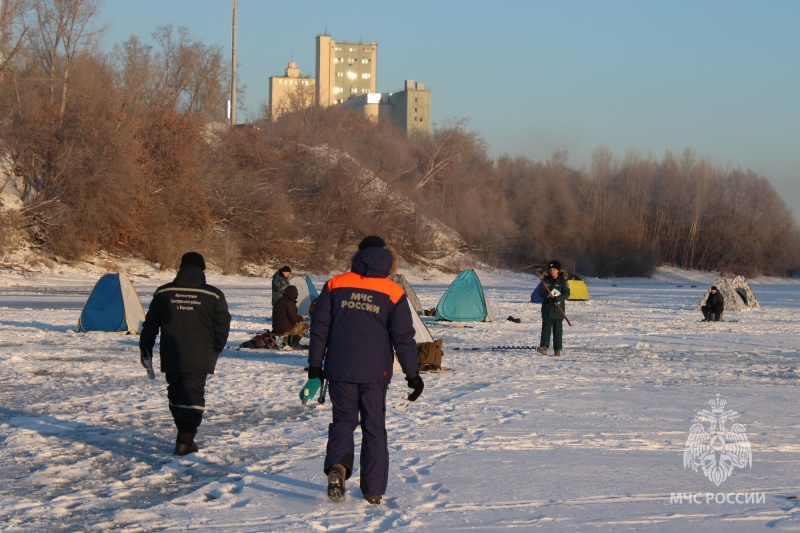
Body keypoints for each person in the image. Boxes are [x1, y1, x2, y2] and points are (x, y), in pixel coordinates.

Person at [308, 235, 424, 505]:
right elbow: (403, 338)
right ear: (386, 256)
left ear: (358, 255)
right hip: (375, 373)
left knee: (343, 422)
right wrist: (413, 375)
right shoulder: (393, 291)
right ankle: (372, 490)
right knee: (374, 427)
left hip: (339, 368)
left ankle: (338, 465)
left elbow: (319, 329)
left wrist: (315, 367)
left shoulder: (335, 284)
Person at [139, 252, 231, 455]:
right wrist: (215, 348)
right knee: (192, 394)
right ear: (203, 270)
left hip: (171, 352)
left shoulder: (164, 292)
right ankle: (185, 440)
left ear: (180, 268)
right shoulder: (214, 295)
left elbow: (150, 325)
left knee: (176, 393)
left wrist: (145, 350)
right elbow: (222, 325)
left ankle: (184, 437)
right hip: (200, 354)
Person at [536, 259, 570, 357]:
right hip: (547, 309)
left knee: (557, 330)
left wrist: (558, 298)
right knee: (546, 329)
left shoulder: (562, 281)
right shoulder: (545, 280)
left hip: (558, 310)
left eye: (554, 270)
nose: (552, 271)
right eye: (551, 270)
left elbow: (567, 293)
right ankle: (544, 347)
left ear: (558, 270)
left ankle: (557, 349)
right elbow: (541, 292)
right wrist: (547, 296)